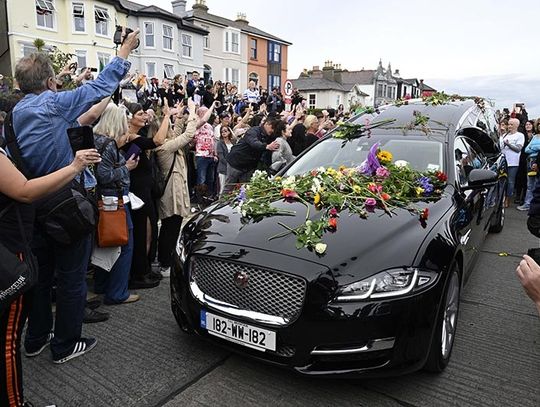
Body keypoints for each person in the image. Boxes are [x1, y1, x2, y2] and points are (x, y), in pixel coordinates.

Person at [11, 29, 140, 365]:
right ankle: (66, 344)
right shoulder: (51, 104)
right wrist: (124, 50)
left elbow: (85, 115)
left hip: (33, 206)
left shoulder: (15, 113)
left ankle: (35, 339)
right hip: (66, 204)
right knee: (71, 278)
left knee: (41, 279)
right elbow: (98, 89)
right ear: (50, 82)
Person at [0, 146, 100, 407]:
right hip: (9, 256)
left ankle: (36, 340)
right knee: (8, 341)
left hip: (16, 245)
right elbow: (24, 190)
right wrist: (74, 167)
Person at [93, 103, 140, 304]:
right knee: (124, 243)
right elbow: (104, 175)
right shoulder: (108, 144)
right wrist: (127, 167)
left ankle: (103, 285)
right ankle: (117, 292)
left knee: (105, 242)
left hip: (101, 200)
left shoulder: (94, 139)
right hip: (113, 200)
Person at [121, 102, 167, 288]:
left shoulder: (137, 135)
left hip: (144, 190)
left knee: (148, 230)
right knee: (141, 232)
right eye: (140, 114)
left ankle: (144, 269)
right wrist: (166, 115)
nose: (145, 116)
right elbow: (158, 141)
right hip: (137, 191)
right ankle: (138, 274)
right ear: (129, 118)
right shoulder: (128, 137)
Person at [154, 98, 198, 276]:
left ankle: (166, 259)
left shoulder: (167, 143)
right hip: (171, 195)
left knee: (172, 226)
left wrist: (179, 117)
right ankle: (165, 262)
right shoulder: (164, 148)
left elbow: (178, 133)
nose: (171, 130)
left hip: (175, 192)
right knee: (169, 229)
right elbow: (186, 136)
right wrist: (193, 112)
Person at [224, 117, 280, 193]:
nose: (272, 131)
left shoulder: (269, 136)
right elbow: (254, 142)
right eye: (272, 128)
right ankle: (221, 204)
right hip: (236, 162)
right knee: (228, 188)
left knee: (246, 189)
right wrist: (266, 146)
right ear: (266, 124)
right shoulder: (253, 131)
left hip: (248, 167)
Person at [500, 118, 524, 208]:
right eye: (509, 124)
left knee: (510, 182)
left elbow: (518, 149)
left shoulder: (520, 135)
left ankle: (507, 199)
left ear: (516, 126)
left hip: (513, 162)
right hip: (503, 161)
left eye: (511, 125)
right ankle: (500, 199)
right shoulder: (505, 135)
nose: (509, 126)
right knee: (501, 180)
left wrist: (509, 144)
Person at [517, 121, 540, 211]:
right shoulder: (535, 137)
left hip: (538, 161)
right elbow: (526, 149)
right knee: (530, 185)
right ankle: (527, 204)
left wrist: (533, 147)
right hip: (530, 161)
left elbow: (531, 148)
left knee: (537, 185)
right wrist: (537, 147)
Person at [216, 125, 236, 195]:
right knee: (223, 188)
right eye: (222, 132)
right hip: (223, 168)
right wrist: (229, 164)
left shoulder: (233, 142)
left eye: (225, 131)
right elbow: (221, 157)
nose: (223, 133)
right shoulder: (220, 143)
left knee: (231, 189)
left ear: (229, 132)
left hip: (232, 169)